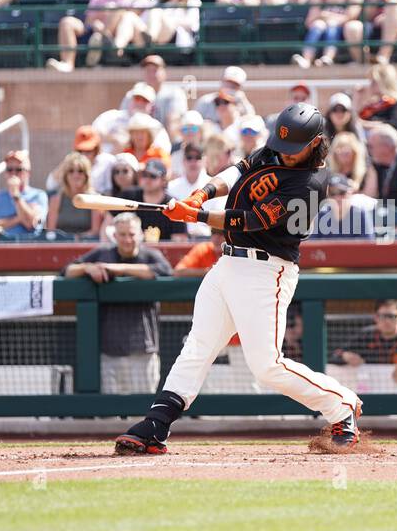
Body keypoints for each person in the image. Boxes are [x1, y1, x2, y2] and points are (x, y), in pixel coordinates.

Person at [114, 103, 364, 455]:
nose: (285, 154)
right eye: (283, 146)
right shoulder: (276, 149)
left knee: (266, 367)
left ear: (315, 143)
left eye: (295, 149)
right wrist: (202, 192)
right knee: (198, 345)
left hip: (267, 271)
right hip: (228, 264)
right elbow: (237, 171)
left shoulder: (310, 185)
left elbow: (251, 219)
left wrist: (197, 215)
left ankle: (340, 407)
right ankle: (157, 423)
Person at [65, 211, 173, 393]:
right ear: (114, 236)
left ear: (140, 234)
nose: (127, 239)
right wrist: (89, 268)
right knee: (109, 415)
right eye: (122, 235)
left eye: (131, 234)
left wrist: (119, 269)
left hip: (143, 349)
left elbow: (167, 272)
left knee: (142, 412)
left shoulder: (151, 255)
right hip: (109, 350)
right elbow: (67, 271)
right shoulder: (102, 253)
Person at [46, 0, 151, 72]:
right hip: (95, 32)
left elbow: (131, 18)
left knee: (115, 9)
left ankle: (98, 44)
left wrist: (108, 18)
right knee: (67, 22)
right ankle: (67, 63)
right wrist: (97, 26)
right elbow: (89, 21)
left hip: (122, 37)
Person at [293, 0, 363, 68]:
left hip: (342, 31)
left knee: (332, 24)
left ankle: (328, 58)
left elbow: (351, 16)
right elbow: (310, 20)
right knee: (318, 25)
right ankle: (306, 60)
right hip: (322, 31)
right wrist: (323, 19)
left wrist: (327, 16)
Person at [0, 149, 47, 243]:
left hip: (30, 245)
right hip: (2, 246)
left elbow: (31, 224)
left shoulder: (39, 195)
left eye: (18, 170)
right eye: (9, 170)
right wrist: (18, 219)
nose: (13, 174)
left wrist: (16, 196)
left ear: (28, 173)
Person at [45, 152, 102, 238]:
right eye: (71, 171)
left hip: (85, 244)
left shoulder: (94, 199)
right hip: (61, 245)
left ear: (86, 175)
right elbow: (51, 232)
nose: (76, 175)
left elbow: (95, 231)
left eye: (80, 171)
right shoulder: (56, 200)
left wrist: (77, 238)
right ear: (65, 176)